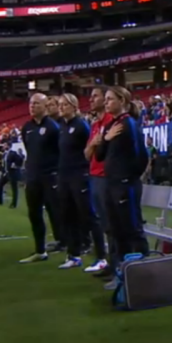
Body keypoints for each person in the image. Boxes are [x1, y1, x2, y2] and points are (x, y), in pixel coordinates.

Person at [94, 86, 149, 290]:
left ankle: (143, 274)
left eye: (110, 99)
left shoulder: (129, 124)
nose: (106, 102)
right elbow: (99, 155)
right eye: (106, 99)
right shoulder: (110, 125)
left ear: (122, 101)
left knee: (132, 229)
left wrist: (128, 177)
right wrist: (105, 139)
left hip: (125, 185)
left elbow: (141, 155)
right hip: (111, 184)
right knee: (117, 230)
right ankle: (122, 273)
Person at [56, 93, 107, 270]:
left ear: (74, 106)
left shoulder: (81, 126)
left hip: (79, 175)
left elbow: (90, 149)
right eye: (59, 104)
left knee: (89, 216)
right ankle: (74, 255)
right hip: (64, 176)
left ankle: (101, 256)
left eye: (64, 104)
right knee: (68, 215)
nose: (61, 107)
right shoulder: (62, 126)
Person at [19, 93, 65, 263]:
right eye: (31, 103)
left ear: (45, 106)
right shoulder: (27, 127)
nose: (32, 106)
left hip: (50, 176)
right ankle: (40, 250)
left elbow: (60, 151)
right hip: (33, 177)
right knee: (34, 213)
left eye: (37, 103)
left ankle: (63, 242)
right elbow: (30, 150)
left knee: (55, 211)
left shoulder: (53, 127)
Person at [83, 86, 112, 275]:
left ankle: (117, 265)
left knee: (110, 224)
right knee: (102, 222)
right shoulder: (95, 125)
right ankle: (110, 263)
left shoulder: (111, 121)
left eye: (95, 96)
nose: (91, 99)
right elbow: (86, 154)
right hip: (94, 176)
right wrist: (93, 144)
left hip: (106, 177)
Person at [0, 141, 21, 208]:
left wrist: (15, 165)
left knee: (14, 188)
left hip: (12, 173)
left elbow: (20, 160)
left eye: (5, 145)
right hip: (5, 173)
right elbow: (4, 163)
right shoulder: (5, 154)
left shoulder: (13, 153)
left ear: (8, 146)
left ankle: (14, 204)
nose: (4, 146)